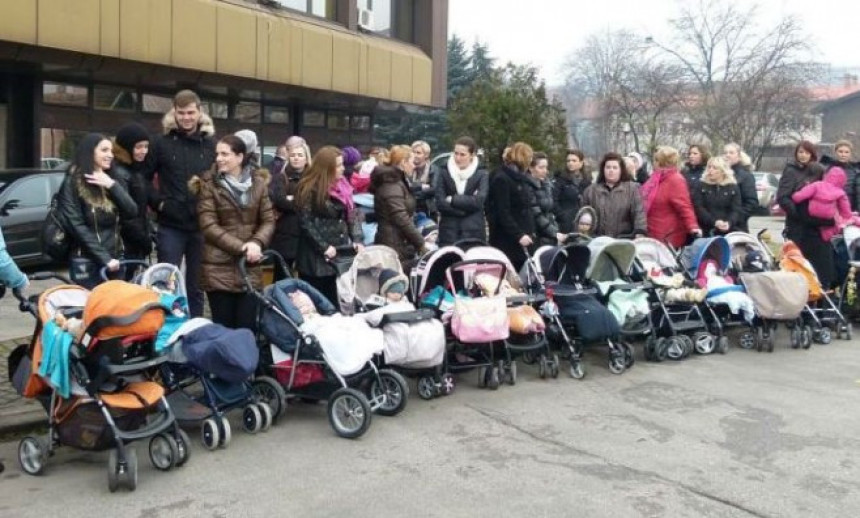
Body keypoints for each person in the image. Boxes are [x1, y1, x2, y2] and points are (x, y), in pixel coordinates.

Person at [144, 89, 216, 317]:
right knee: (166, 282)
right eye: (181, 113)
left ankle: (195, 329)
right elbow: (143, 179)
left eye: (190, 112)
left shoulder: (210, 144)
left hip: (201, 226)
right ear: (174, 113)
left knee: (196, 285)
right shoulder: (161, 143)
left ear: (199, 112)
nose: (186, 117)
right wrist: (160, 204)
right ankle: (166, 328)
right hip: (171, 225)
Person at [192, 135, 274, 330]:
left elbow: (268, 220)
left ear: (240, 157)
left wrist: (257, 242)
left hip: (250, 267)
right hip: (218, 268)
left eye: (225, 154)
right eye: (217, 154)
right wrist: (243, 247)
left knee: (247, 329)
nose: (219, 158)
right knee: (224, 329)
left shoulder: (259, 184)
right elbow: (208, 225)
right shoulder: (208, 186)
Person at [57, 134, 137, 288]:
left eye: (111, 151)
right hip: (87, 261)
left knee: (115, 308)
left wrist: (112, 185)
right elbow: (76, 226)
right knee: (89, 308)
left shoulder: (112, 179)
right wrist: (104, 258)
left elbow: (132, 211)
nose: (110, 155)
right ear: (90, 152)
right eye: (104, 150)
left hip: (116, 259)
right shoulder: (72, 182)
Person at [295, 146, 364, 304]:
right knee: (317, 301)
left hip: (340, 251)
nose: (342, 168)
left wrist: (358, 239)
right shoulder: (308, 188)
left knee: (337, 300)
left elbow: (354, 214)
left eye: (342, 164)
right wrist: (324, 247)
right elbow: (305, 223)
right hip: (315, 257)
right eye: (338, 165)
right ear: (327, 167)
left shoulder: (344, 186)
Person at [777, 141, 834, 287]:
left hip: (816, 226)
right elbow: (783, 197)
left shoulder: (819, 171)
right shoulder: (791, 171)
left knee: (818, 265)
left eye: (807, 153)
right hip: (797, 224)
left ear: (812, 155)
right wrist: (798, 214)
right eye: (800, 152)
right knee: (797, 262)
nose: (803, 156)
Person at [370, 145, 428, 266]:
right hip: (393, 244)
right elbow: (401, 217)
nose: (414, 165)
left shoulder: (397, 182)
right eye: (412, 162)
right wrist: (420, 242)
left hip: (398, 241)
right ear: (403, 162)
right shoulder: (391, 185)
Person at [487, 142, 538, 270]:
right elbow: (503, 212)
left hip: (524, 236)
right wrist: (519, 234)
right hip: (508, 240)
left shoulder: (521, 178)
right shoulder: (502, 179)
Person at [641, 146, 701, 248]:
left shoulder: (676, 180)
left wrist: (693, 227)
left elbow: (684, 206)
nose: (654, 163)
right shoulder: (655, 178)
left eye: (656, 160)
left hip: (667, 236)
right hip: (651, 232)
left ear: (662, 162)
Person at [435, 136, 489, 245]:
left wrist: (453, 199)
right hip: (449, 232)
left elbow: (478, 201)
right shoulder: (444, 171)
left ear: (472, 155)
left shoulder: (481, 173)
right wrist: (463, 210)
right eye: (456, 153)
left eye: (462, 154)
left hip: (473, 232)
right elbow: (440, 202)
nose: (458, 158)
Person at [269, 135, 311, 276]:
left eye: (300, 155)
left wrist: (292, 199)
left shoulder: (312, 179)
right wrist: (300, 202)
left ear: (306, 158)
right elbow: (279, 200)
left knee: (305, 278)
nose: (296, 158)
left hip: (307, 236)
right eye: (293, 155)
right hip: (285, 235)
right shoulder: (280, 177)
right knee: (282, 276)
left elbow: (313, 202)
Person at [112, 122, 152, 264]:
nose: (144, 151)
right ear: (127, 148)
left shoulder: (135, 169)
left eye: (146, 146)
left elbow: (141, 208)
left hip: (135, 241)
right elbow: (126, 213)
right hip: (127, 244)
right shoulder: (121, 172)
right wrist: (142, 239)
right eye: (139, 147)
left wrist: (149, 232)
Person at [581, 152, 647, 238]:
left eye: (615, 168)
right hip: (597, 240)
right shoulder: (590, 191)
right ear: (603, 169)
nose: (611, 170)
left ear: (621, 170)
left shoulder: (632, 189)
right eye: (608, 167)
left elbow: (639, 213)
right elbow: (583, 215)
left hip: (624, 240)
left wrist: (640, 233)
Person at [791, 166, 860, 242]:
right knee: (848, 220)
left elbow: (797, 197)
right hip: (828, 217)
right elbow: (846, 212)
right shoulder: (840, 192)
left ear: (827, 176)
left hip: (813, 213)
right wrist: (847, 217)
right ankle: (827, 234)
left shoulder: (817, 185)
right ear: (843, 180)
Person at [691, 157, 743, 235]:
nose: (710, 170)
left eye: (715, 168)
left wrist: (729, 222)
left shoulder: (733, 187)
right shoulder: (700, 185)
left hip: (727, 230)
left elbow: (736, 209)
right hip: (706, 229)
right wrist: (714, 222)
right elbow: (698, 207)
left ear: (723, 171)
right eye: (709, 167)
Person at [527, 152, 565, 247]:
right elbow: (536, 214)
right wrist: (553, 232)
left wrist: (555, 229)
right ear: (531, 168)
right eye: (541, 167)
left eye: (546, 167)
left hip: (549, 232)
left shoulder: (546, 185)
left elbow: (549, 212)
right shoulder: (528, 187)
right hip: (536, 235)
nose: (545, 171)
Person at [722, 142, 758, 232]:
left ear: (738, 156)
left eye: (731, 153)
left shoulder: (745, 176)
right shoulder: (718, 174)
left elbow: (751, 203)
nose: (727, 155)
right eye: (725, 153)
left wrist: (734, 219)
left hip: (737, 227)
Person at [553, 149, 591, 233]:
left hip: (583, 224)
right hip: (565, 224)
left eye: (574, 160)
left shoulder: (587, 181)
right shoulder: (560, 180)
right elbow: (554, 200)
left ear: (581, 163)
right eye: (568, 161)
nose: (570, 163)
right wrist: (562, 216)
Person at [821, 140, 860, 211]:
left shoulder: (856, 172)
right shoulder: (826, 169)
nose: (843, 154)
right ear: (835, 152)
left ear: (850, 154)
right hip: (829, 209)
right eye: (840, 151)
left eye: (846, 152)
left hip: (849, 210)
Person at [409, 140, 438, 218]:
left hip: (428, 209)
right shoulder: (408, 169)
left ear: (426, 155)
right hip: (410, 210)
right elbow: (406, 186)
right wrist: (421, 186)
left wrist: (414, 194)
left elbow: (434, 189)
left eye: (418, 153)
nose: (415, 155)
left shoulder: (433, 170)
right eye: (413, 152)